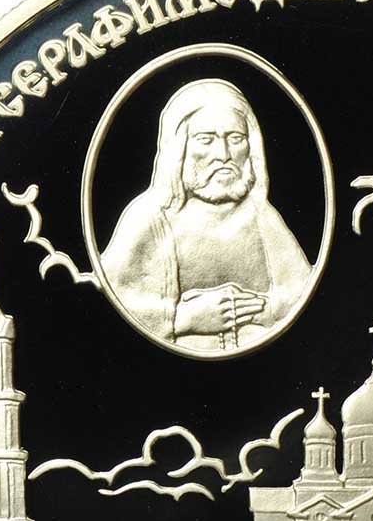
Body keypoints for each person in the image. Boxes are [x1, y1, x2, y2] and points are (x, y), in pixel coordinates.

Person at [101, 79, 312, 351]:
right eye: (206, 140)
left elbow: (304, 294)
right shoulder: (148, 219)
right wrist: (183, 319)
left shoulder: (262, 216)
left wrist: (260, 310)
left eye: (236, 139)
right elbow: (108, 304)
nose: (223, 154)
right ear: (180, 148)